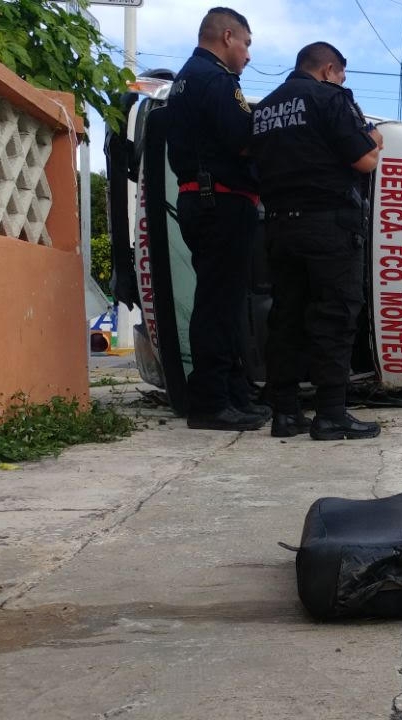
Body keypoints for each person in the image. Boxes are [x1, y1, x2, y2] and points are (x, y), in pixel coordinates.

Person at [249, 42, 384, 440]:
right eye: (341, 74)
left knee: (286, 318)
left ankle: (286, 414)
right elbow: (365, 160)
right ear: (328, 69)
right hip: (329, 225)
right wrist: (374, 137)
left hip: (279, 226)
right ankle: (330, 414)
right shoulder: (330, 98)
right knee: (334, 317)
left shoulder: (264, 109)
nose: (342, 80)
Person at [166, 7, 269, 431]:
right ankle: (210, 401)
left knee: (222, 303)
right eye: (246, 43)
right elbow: (245, 141)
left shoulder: (187, 78)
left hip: (204, 199)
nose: (247, 54)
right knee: (218, 304)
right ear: (227, 36)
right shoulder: (216, 80)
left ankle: (231, 395)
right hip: (220, 201)